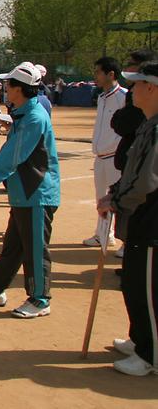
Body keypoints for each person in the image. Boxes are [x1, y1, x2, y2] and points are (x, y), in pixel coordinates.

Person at [0, 62, 60, 319]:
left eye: (9, 85)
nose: (5, 88)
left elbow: (14, 154)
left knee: (34, 248)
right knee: (14, 246)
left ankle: (40, 299)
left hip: (37, 193)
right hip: (25, 193)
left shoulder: (33, 117)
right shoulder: (23, 113)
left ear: (20, 89)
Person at [97, 61, 158, 376]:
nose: (131, 90)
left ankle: (151, 355)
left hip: (151, 223)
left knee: (148, 291)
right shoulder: (148, 123)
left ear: (152, 88)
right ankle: (141, 341)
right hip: (138, 221)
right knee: (134, 285)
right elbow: (133, 170)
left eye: (136, 84)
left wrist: (118, 200)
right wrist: (115, 192)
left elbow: (147, 181)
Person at [83, 57, 126, 253]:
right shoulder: (101, 97)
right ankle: (103, 234)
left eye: (98, 72)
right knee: (101, 198)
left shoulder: (124, 97)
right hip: (100, 157)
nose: (96, 76)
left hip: (115, 157)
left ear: (111, 74)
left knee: (121, 200)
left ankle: (127, 241)